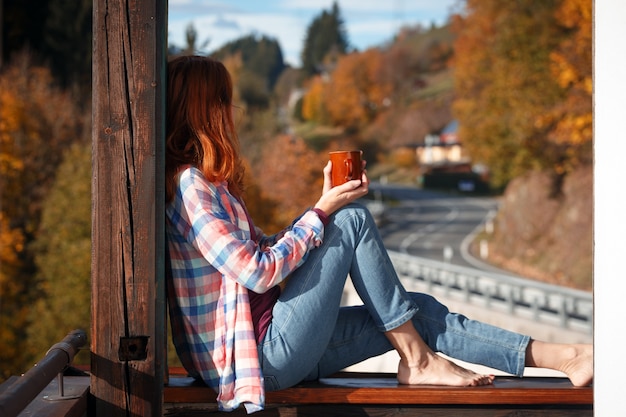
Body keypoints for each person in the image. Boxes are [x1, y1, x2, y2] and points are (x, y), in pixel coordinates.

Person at [164, 55, 593, 414]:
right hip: (256, 359)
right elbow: (257, 273)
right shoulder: (191, 188)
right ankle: (420, 361)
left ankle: (563, 357)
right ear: (206, 109)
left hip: (267, 346)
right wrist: (325, 213)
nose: (232, 112)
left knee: (412, 312)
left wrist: (322, 204)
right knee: (351, 221)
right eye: (225, 101)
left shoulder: (211, 186)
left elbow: (263, 249)